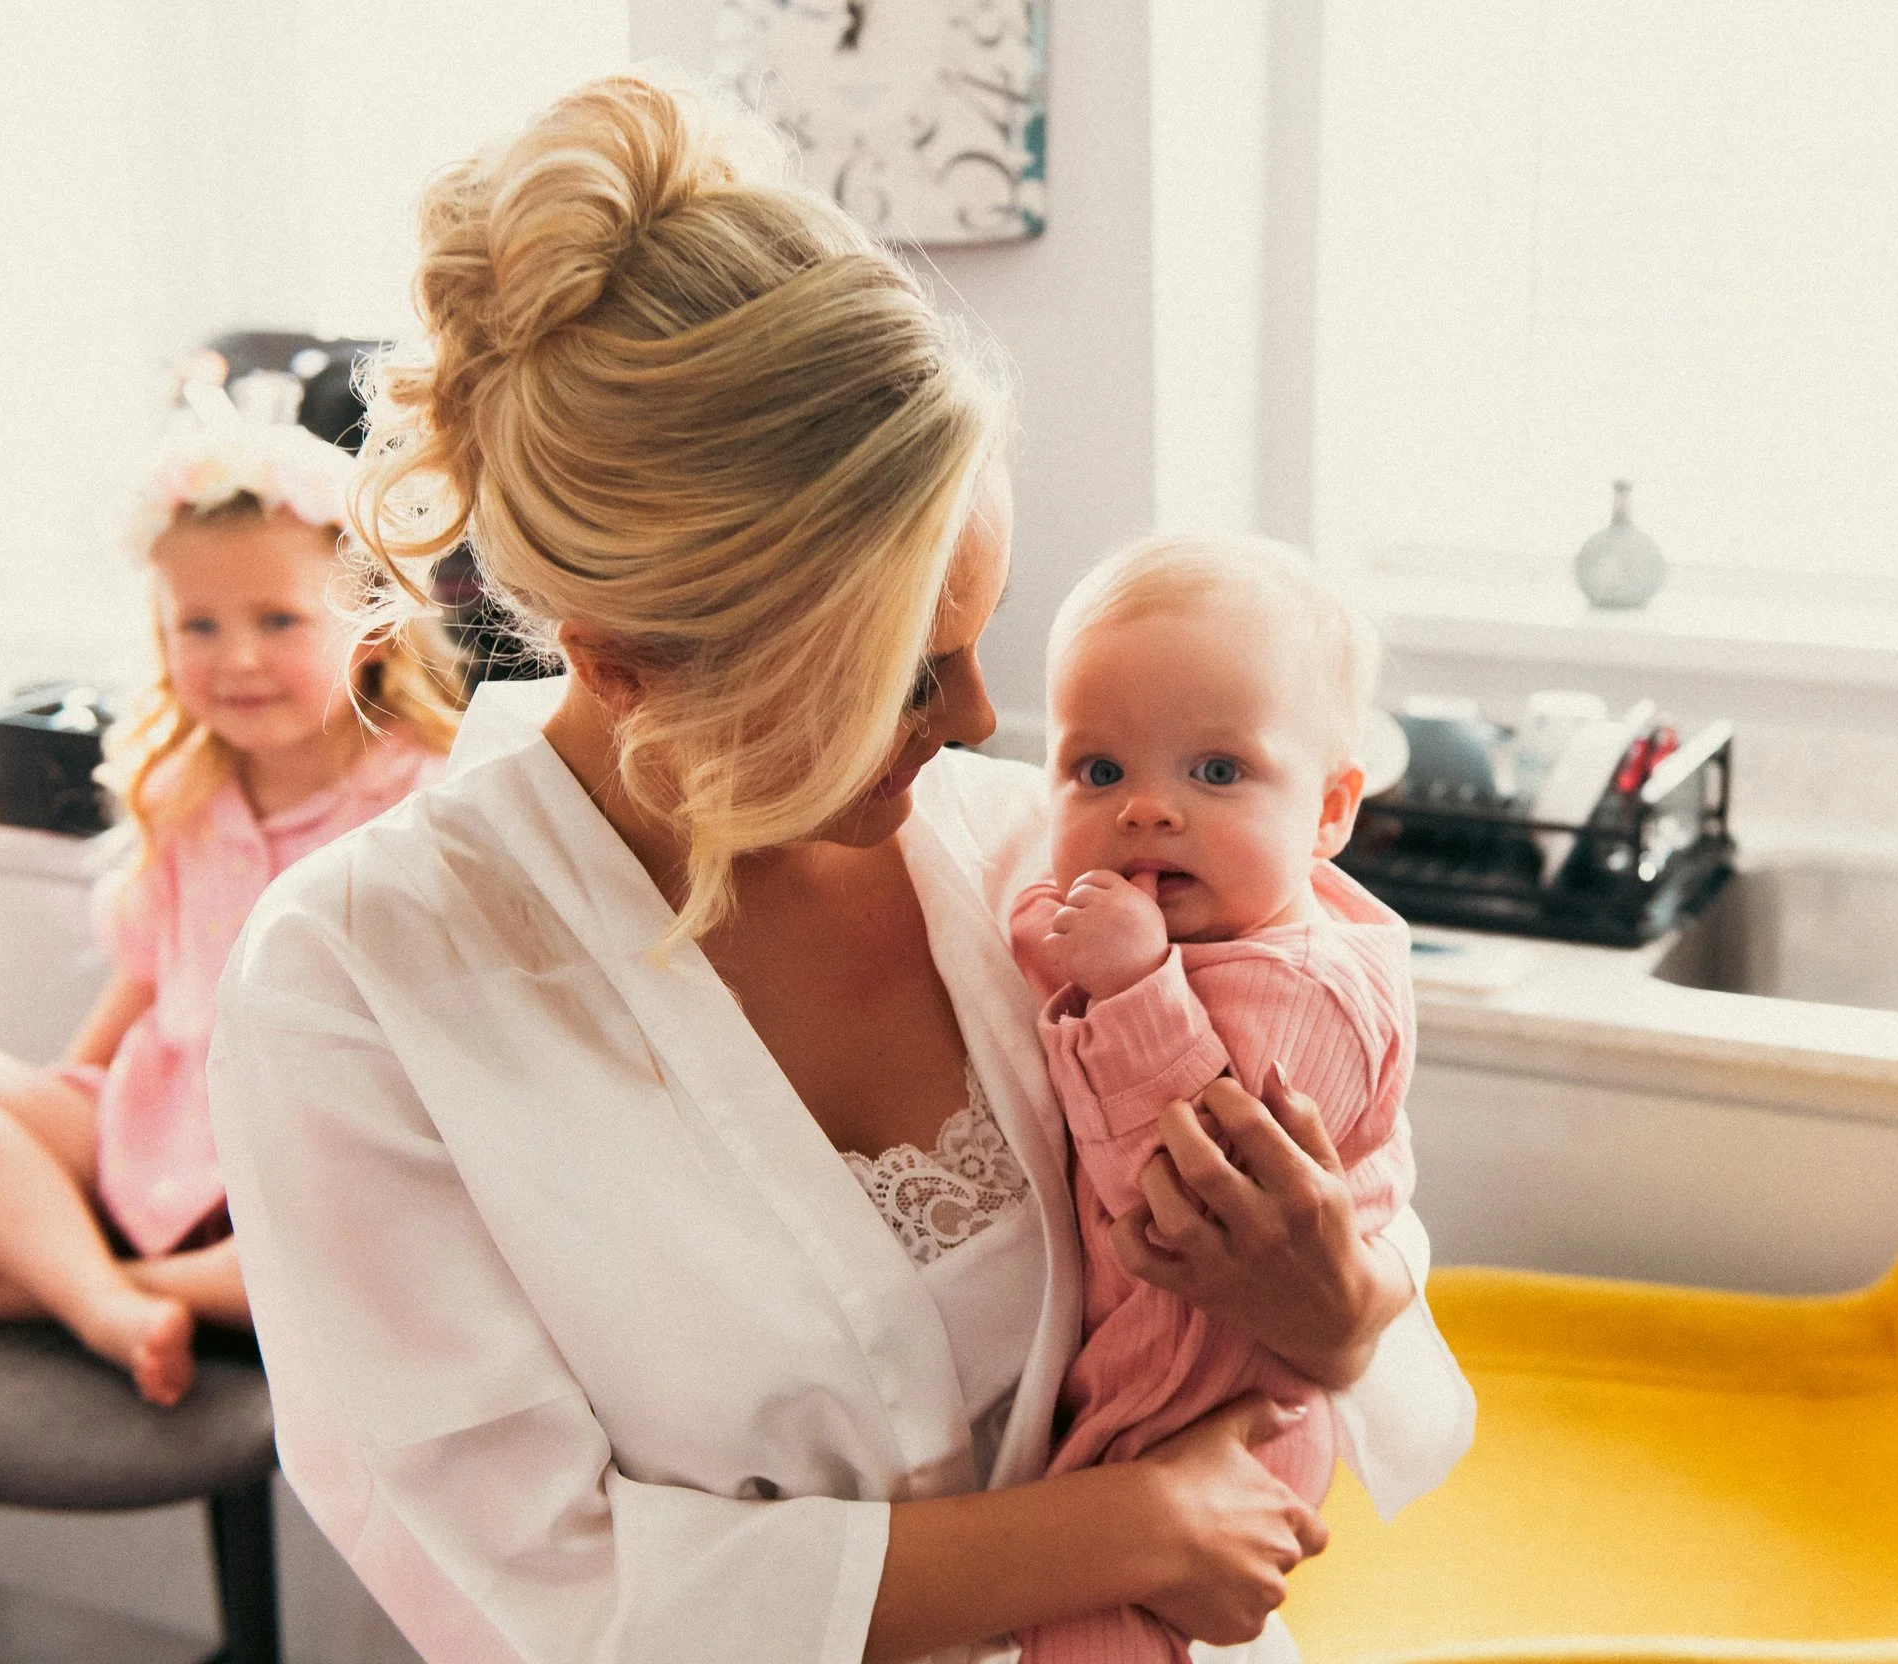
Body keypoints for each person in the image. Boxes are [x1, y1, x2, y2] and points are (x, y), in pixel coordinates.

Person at [207, 75, 1471, 1664]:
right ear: (627, 665)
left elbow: (1341, 1146)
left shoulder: (1039, 868)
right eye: (901, 678)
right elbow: (534, 1576)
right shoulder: (361, 989)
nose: (988, 723)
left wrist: (1343, 1311)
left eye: (977, 638)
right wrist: (1121, 1531)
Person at [0, 407, 461, 1406]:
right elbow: (148, 973)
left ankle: (95, 1288)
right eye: (197, 625)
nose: (236, 658)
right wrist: (61, 1097)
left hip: (294, 1162)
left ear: (373, 624)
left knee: (391, 1238)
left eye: (279, 619)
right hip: (152, 1127)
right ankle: (98, 1296)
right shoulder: (185, 791)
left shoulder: (421, 800)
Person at [1009, 535, 1434, 1664]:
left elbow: (1179, 1190)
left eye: (1216, 771)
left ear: (1331, 807)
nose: (1146, 810)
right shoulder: (1234, 920)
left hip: (1202, 1425)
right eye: (1097, 772)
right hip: (1159, 1415)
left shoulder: (1301, 988)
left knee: (1090, 1632)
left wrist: (1128, 981)